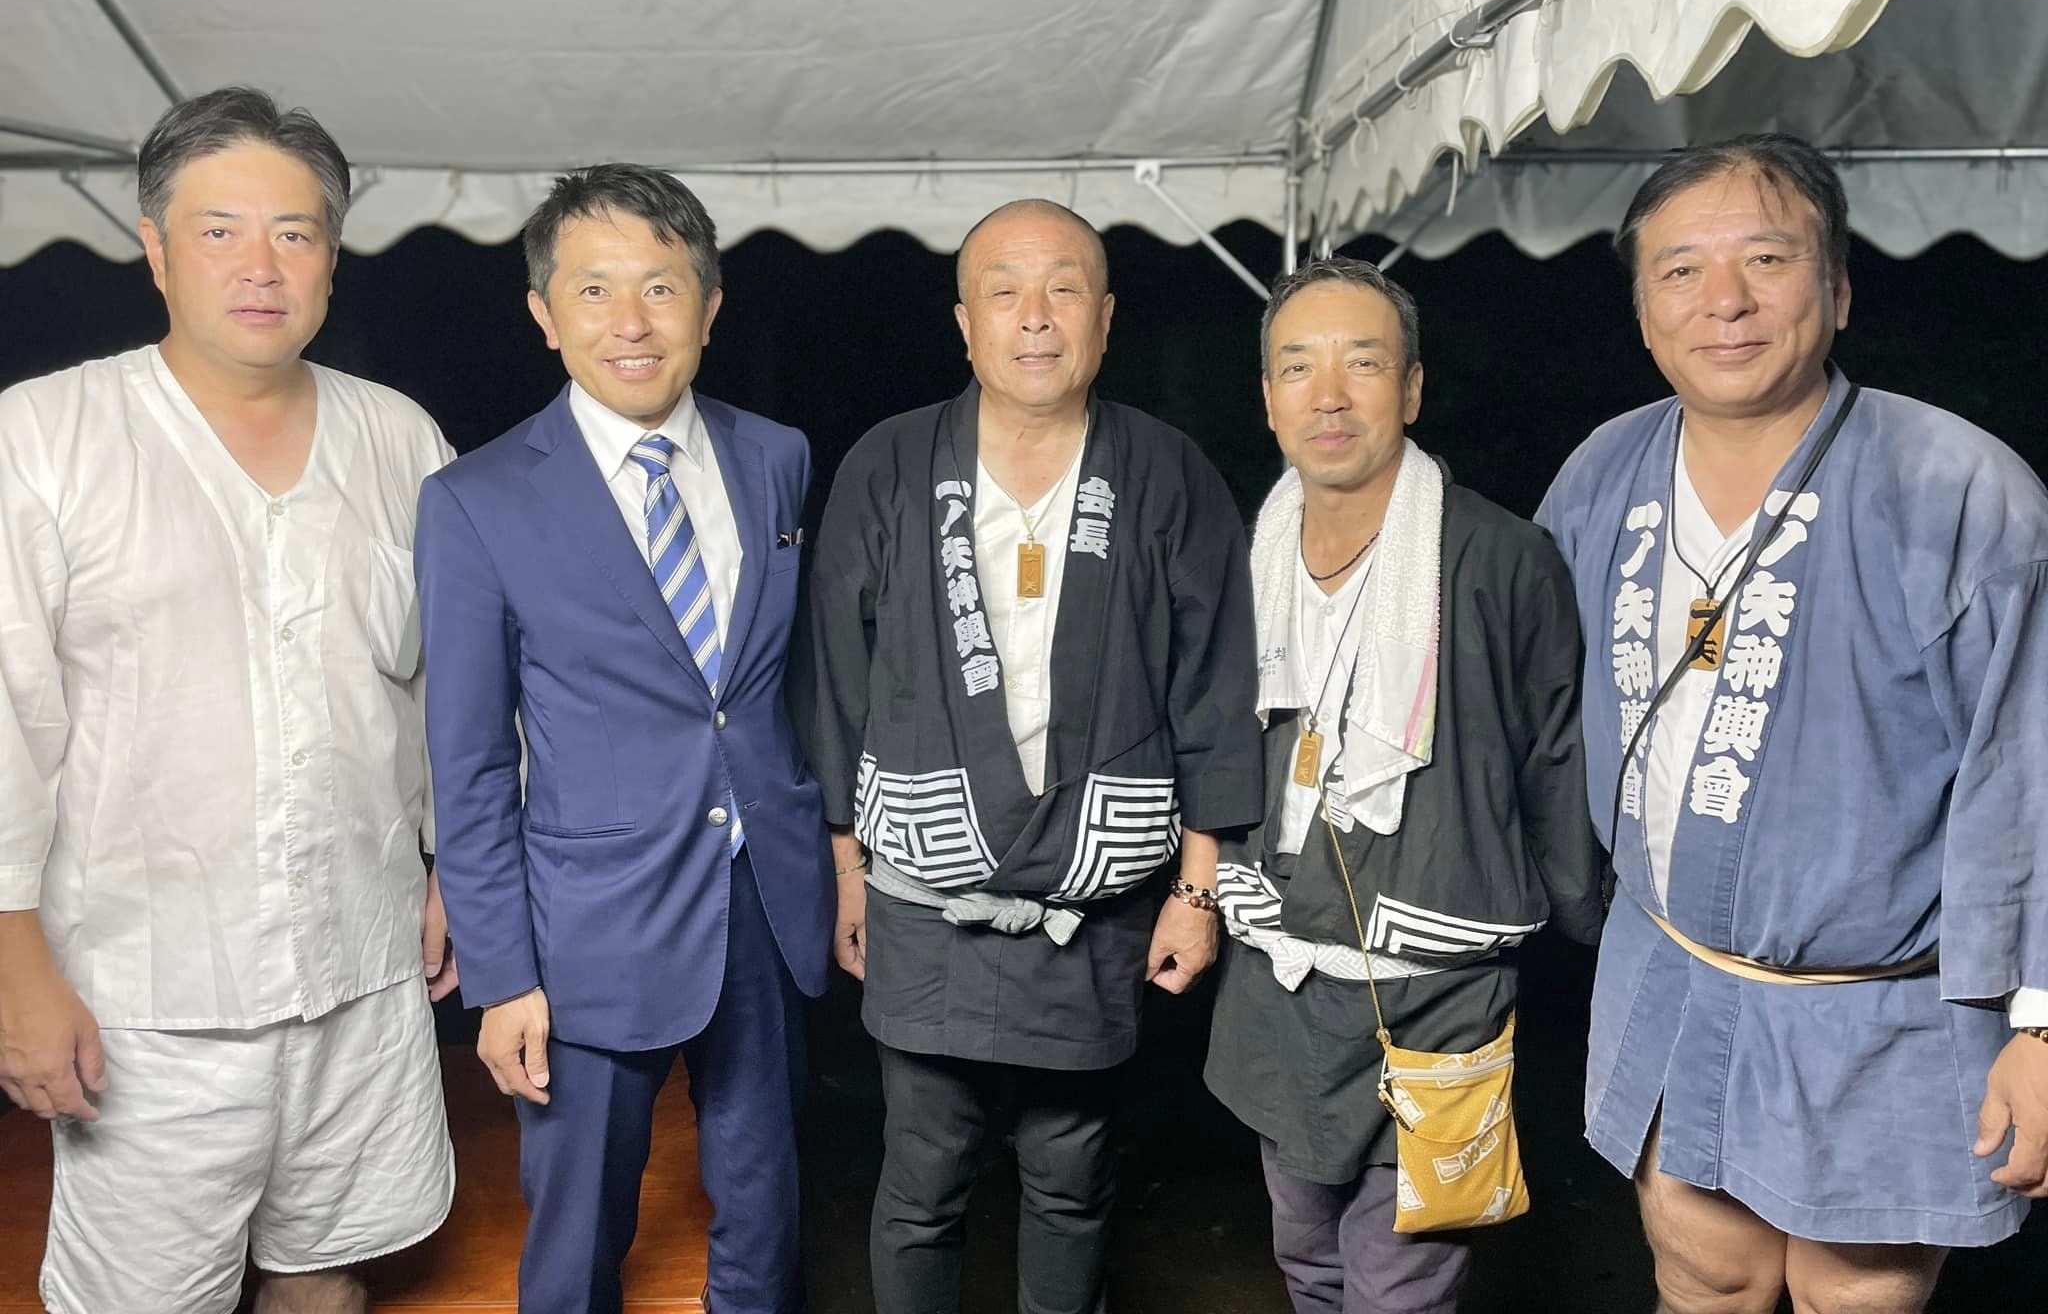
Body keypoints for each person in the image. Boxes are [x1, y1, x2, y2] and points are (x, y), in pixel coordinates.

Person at [1536, 133, 2048, 1313]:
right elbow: (1530, 706)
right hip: (1671, 969)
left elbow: (2035, 771)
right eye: (1678, 271)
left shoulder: (1960, 493)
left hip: (1881, 1005)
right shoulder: (1602, 472)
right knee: (1699, 1273)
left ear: (1837, 287)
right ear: (1640, 307)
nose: (1723, 301)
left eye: (1765, 258)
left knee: (1850, 1294)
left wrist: (2041, 1027)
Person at [0, 87, 455, 1314]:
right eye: (218, 231)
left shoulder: (397, 437)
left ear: (331, 255)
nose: (260, 266)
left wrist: (445, 863)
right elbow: (4, 722)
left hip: (359, 965)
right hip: (144, 992)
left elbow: (438, 688)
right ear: (152, 248)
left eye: (295, 233)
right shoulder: (44, 437)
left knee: (326, 1272)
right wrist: (13, 967)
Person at [800, 199, 1264, 1313]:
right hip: (924, 897)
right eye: (1004, 291)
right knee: (919, 1181)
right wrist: (847, 868)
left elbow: (1215, 683)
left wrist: (1198, 889)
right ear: (964, 324)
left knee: (1071, 1177)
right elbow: (834, 680)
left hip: (1090, 908)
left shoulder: (1163, 471)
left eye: (1063, 289)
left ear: (1103, 319)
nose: (1035, 318)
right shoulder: (891, 463)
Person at [417, 163, 831, 1314]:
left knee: (766, 1205)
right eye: (593, 292)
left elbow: (785, 683)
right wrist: (501, 977)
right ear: (546, 317)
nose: (631, 323)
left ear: (708, 304)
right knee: (577, 1230)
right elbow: (469, 760)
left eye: (659, 287)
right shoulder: (478, 500)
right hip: (584, 923)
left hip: (764, 895)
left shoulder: (776, 455)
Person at [1202, 257, 1604, 1314]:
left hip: (1437, 986)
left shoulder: (1499, 557)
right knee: (1305, 1261)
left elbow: (1553, 750)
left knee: (1402, 1287)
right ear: (1267, 399)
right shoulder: (1244, 560)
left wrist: (1584, 912)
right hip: (1279, 983)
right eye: (1297, 367)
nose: (1327, 395)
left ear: (1412, 389)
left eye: (1362, 364)